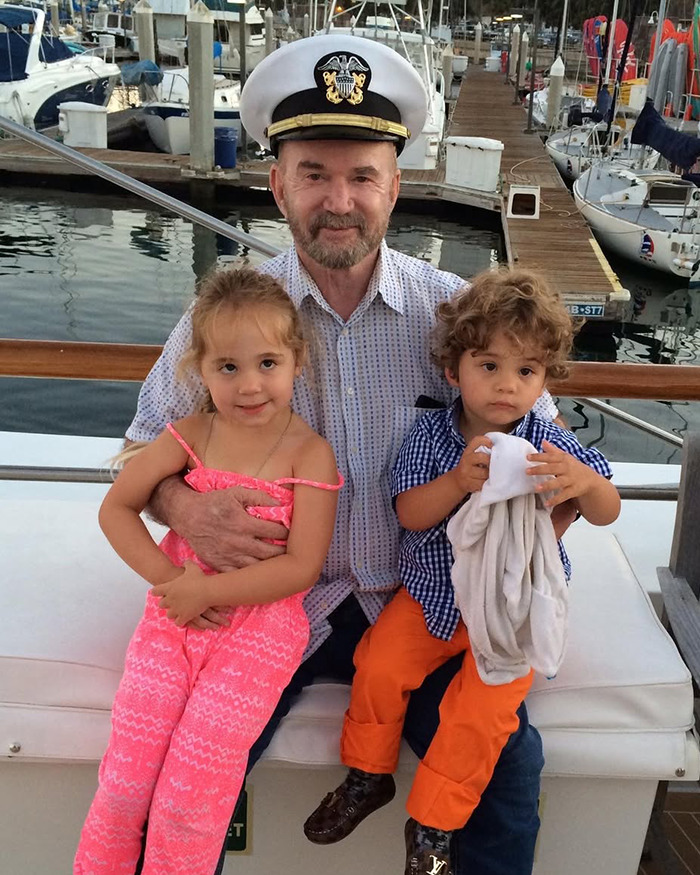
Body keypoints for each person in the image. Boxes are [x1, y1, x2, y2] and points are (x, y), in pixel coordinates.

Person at [126, 35, 575, 875]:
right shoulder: (224, 322)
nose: (340, 200)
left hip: (423, 602)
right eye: (314, 173)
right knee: (183, 787)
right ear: (277, 184)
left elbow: (547, 449)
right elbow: (136, 452)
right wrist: (186, 509)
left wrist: (528, 544)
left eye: (362, 175)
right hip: (268, 610)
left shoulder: (459, 316)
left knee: (510, 776)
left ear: (395, 187)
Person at [303, 268, 621, 873]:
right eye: (489, 366)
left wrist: (584, 484)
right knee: (378, 662)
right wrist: (455, 482)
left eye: (526, 371)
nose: (507, 386)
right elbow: (408, 513)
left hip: (511, 610)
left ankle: (434, 827)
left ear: (545, 380)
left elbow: (607, 509)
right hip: (430, 598)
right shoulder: (434, 433)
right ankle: (368, 776)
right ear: (454, 371)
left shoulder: (551, 445)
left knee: (480, 714)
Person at [74, 267, 342, 875]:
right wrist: (175, 587)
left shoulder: (309, 453)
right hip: (173, 623)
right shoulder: (189, 434)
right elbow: (117, 506)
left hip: (260, 636)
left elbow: (302, 567)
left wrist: (206, 590)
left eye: (267, 363)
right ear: (200, 369)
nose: (249, 385)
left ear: (297, 362)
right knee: (122, 788)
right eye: (228, 367)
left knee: (188, 802)